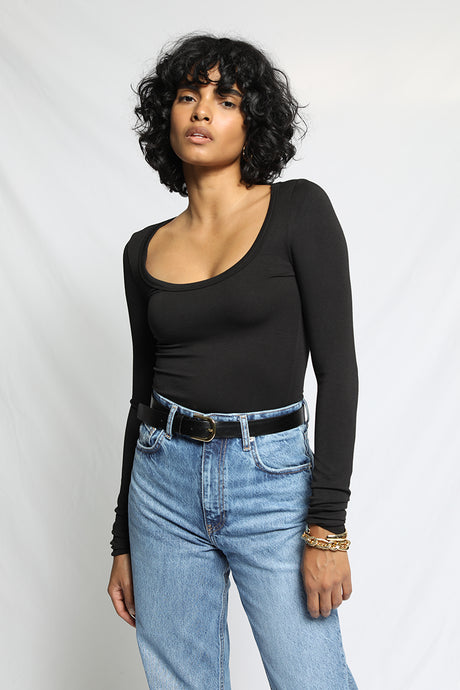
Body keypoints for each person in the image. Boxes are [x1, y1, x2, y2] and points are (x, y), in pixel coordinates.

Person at [107, 31, 359, 690]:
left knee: (312, 679)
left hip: (271, 482)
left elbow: (339, 374)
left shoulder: (299, 210)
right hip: (161, 486)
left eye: (226, 99)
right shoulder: (142, 249)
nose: (201, 111)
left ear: (254, 121)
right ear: (166, 114)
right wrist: (123, 539)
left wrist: (327, 529)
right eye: (187, 96)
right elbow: (141, 397)